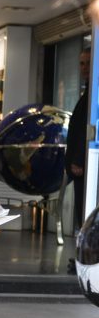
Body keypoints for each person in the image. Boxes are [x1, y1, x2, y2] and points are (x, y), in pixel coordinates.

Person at [65, 47, 91, 231]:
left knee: (86, 214)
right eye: (82, 63)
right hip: (82, 166)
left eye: (89, 63)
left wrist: (78, 159)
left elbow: (88, 129)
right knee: (82, 214)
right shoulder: (88, 92)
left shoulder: (94, 94)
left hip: (86, 165)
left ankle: (88, 257)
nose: (84, 67)